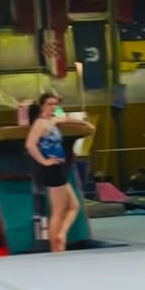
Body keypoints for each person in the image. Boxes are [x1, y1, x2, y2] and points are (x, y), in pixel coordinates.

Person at [25, 93, 89, 253]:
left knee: (73, 206)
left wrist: (85, 123)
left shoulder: (52, 121)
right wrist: (43, 161)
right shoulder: (40, 123)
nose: (53, 107)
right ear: (42, 106)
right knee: (58, 211)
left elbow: (65, 118)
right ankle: (56, 247)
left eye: (55, 104)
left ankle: (61, 235)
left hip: (58, 168)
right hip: (52, 168)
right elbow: (30, 145)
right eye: (50, 104)